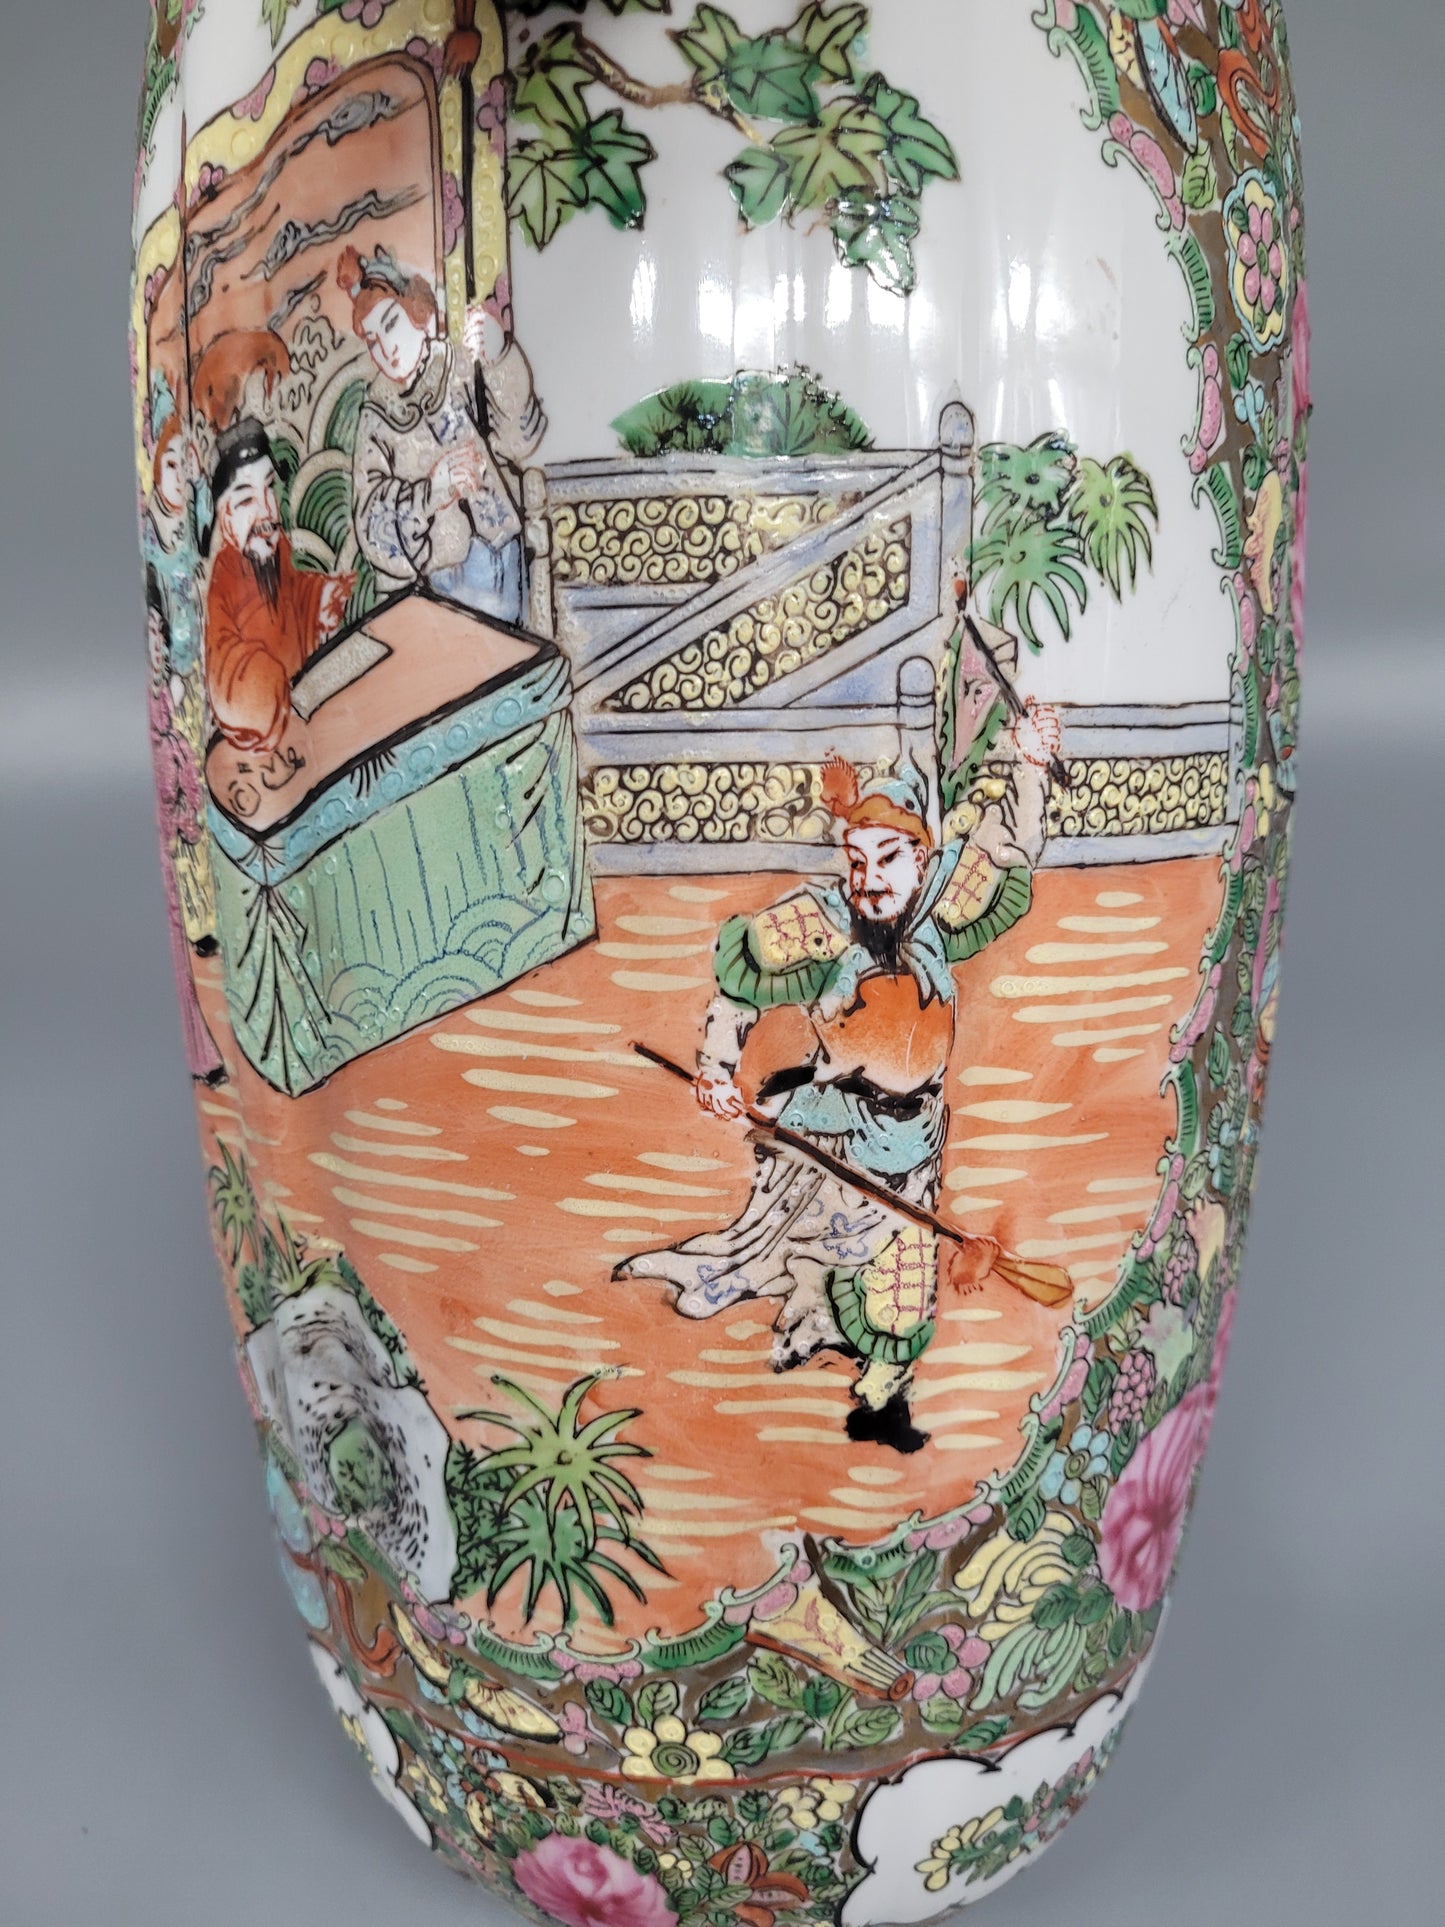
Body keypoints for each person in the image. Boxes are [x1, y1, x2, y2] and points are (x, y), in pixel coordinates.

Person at [617, 717, 1057, 1456]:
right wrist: (716, 1069)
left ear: (921, 857)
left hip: (916, 1138)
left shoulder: (940, 912)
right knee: (840, 1252)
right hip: (836, 1132)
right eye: (857, 860)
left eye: (888, 858)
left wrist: (1032, 766)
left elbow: (1011, 846)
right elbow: (739, 987)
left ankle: (881, 1396)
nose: (869, 879)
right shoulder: (820, 927)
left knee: (903, 1282)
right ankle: (829, 1337)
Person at [339, 245, 544, 623]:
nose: (385, 347)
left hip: (503, 547)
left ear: (416, 311)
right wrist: (431, 491)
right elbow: (371, 523)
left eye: (391, 324)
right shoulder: (377, 417)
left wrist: (500, 357)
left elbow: (520, 439)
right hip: (439, 577)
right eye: (372, 340)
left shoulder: (462, 366)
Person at [203, 418, 353, 754]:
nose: (266, 512)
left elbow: (295, 594)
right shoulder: (223, 582)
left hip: (306, 713)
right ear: (224, 518)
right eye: (245, 501)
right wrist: (275, 687)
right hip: (271, 729)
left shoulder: (277, 547)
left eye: (269, 488)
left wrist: (323, 596)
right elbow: (224, 667)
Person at [145, 568, 225, 1086]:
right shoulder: (158, 705)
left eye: (160, 634)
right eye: (150, 635)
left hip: (185, 823)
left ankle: (206, 1056)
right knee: (185, 966)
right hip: (178, 834)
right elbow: (169, 770)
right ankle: (203, 1058)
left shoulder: (168, 696)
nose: (156, 645)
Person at [142, 399, 215, 949]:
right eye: (169, 464)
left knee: (209, 794)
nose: (177, 476)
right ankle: (198, 918)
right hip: (175, 683)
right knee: (183, 802)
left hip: (203, 679)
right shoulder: (154, 539)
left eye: (182, 464)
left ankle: (213, 909)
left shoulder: (195, 519)